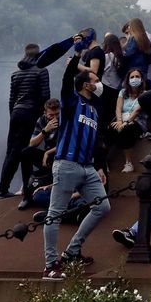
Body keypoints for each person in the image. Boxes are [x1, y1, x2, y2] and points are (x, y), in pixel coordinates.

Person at [43, 29, 111, 282]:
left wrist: (101, 167)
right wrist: (75, 55)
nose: (97, 83)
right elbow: (66, 80)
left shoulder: (93, 110)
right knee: (55, 214)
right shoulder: (71, 102)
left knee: (102, 206)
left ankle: (72, 251)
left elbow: (96, 143)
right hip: (67, 165)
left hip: (88, 167)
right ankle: (50, 264)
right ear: (85, 85)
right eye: (93, 81)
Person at [0, 43, 52, 200]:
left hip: (15, 113)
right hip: (31, 113)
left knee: (11, 151)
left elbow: (11, 99)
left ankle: (3, 188)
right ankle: (18, 188)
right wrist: (43, 117)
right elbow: (45, 96)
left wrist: (13, 115)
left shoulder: (16, 74)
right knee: (25, 151)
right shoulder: (41, 71)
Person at [19, 98, 61, 208]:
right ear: (45, 113)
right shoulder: (42, 120)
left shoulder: (66, 120)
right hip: (48, 157)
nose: (55, 118)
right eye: (51, 115)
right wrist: (44, 131)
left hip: (62, 155)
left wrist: (47, 153)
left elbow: (68, 143)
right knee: (26, 152)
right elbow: (32, 143)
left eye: (57, 114)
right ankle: (27, 196)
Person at [104, 69, 148, 173]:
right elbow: (118, 108)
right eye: (132, 77)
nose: (134, 79)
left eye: (137, 77)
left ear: (142, 80)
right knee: (110, 129)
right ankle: (103, 162)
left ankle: (128, 163)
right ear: (127, 80)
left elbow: (137, 110)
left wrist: (126, 123)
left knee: (126, 130)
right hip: (122, 119)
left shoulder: (145, 94)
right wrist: (119, 121)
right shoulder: (123, 92)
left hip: (137, 121)